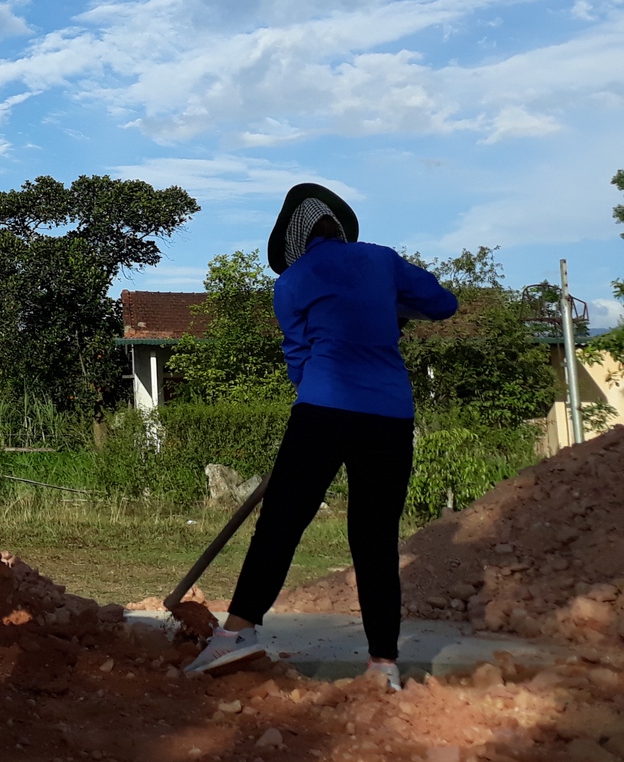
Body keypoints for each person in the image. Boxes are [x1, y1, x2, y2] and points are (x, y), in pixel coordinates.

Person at [186, 183, 458, 689]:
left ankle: (237, 633)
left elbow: (297, 359)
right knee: (374, 537)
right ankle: (383, 664)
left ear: (295, 242)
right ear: (339, 228)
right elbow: (444, 304)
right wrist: (394, 307)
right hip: (389, 416)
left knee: (282, 523)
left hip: (322, 409)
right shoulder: (382, 261)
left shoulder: (292, 281)